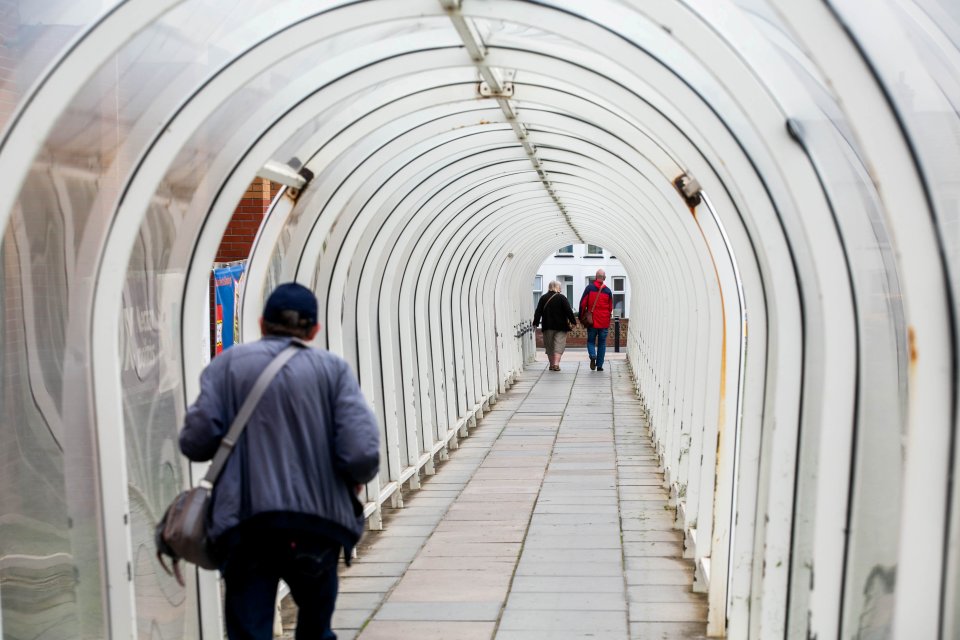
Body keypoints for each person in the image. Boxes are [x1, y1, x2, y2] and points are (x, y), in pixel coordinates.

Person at [179, 282, 380, 640]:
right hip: (317, 525)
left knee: (249, 631)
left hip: (246, 524)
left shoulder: (226, 367)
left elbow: (195, 442)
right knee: (316, 628)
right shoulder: (333, 370)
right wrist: (355, 476)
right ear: (314, 329)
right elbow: (361, 452)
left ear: (261, 323)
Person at [533, 280, 578, 371]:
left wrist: (535, 323)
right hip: (561, 326)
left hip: (547, 326)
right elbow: (568, 311)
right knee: (559, 344)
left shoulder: (543, 298)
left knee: (549, 345)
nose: (561, 289)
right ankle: (556, 364)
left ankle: (551, 364)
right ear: (557, 287)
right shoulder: (562, 298)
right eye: (560, 287)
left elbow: (538, 311)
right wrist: (573, 322)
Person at [579, 269, 615, 372]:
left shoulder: (589, 288)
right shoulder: (608, 291)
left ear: (596, 277)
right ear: (604, 278)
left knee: (590, 341)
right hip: (604, 322)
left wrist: (582, 316)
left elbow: (583, 304)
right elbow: (610, 308)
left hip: (592, 321)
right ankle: (599, 365)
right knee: (602, 343)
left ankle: (592, 355)